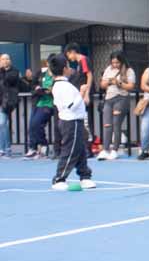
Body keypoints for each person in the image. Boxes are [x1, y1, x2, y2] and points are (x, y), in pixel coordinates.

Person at [48, 53, 96, 191]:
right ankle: (59, 178)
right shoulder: (63, 86)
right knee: (70, 150)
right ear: (64, 69)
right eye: (68, 66)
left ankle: (85, 176)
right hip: (71, 122)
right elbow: (71, 105)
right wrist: (81, 93)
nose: (70, 68)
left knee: (80, 149)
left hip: (75, 121)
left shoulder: (62, 85)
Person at [97, 51, 136, 160]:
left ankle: (115, 150)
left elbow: (131, 86)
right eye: (113, 62)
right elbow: (102, 84)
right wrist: (110, 81)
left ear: (122, 61)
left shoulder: (129, 71)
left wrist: (118, 83)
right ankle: (105, 150)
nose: (115, 65)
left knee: (116, 123)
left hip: (121, 98)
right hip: (109, 99)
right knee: (107, 125)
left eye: (117, 62)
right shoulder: (108, 69)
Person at [24, 62, 54, 158]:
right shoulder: (41, 73)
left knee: (37, 123)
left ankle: (44, 145)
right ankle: (33, 148)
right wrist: (37, 88)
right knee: (32, 125)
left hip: (50, 104)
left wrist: (50, 90)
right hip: (38, 102)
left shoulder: (57, 74)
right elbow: (32, 84)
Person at [0, 54, 20, 157]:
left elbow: (8, 80)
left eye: (7, 59)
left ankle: (6, 148)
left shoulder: (14, 71)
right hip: (1, 100)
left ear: (10, 60)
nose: (5, 61)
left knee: (2, 123)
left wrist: (2, 70)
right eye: (3, 59)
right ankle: (3, 149)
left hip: (8, 101)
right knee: (3, 124)